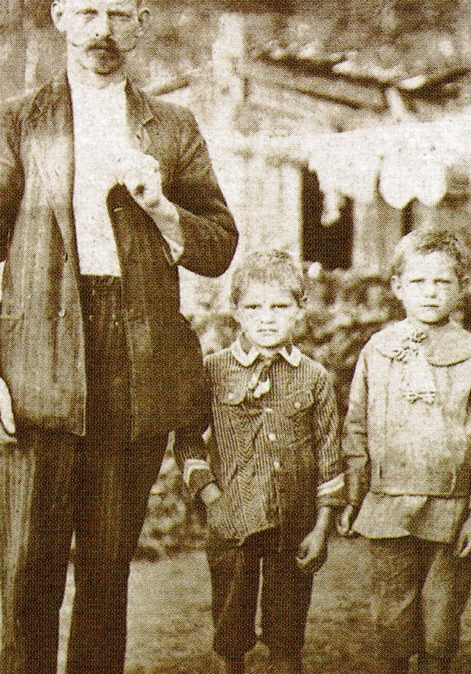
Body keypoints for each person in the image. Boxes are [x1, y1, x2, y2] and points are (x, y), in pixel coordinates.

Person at [0, 0, 238, 674]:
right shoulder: (18, 122)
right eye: (87, 12)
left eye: (117, 13)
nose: (101, 29)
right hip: (34, 370)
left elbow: (219, 244)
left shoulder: (172, 126)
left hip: (133, 370)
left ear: (140, 22)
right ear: (60, 19)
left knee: (106, 582)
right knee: (28, 583)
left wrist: (163, 209)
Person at [338, 229, 471, 674]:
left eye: (443, 282)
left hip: (448, 507)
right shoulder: (378, 349)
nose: (431, 292)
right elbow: (356, 427)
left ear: (460, 287)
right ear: (397, 287)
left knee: (441, 623)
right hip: (388, 503)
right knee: (392, 618)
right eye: (418, 282)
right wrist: (353, 497)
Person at [174, 250, 344, 674]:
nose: (266, 319)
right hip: (233, 525)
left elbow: (328, 455)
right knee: (231, 636)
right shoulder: (212, 371)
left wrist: (322, 528)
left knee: (287, 637)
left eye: (280, 306)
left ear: (300, 309)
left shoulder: (315, 378)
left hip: (296, 525)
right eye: (253, 307)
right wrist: (214, 499)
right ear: (236, 312)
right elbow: (188, 442)